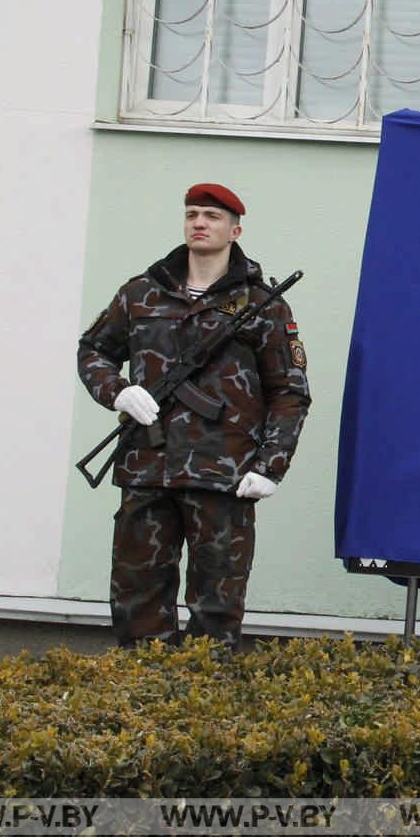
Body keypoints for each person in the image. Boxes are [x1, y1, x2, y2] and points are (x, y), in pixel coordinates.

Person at [77, 184, 310, 647]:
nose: (199, 223)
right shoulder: (141, 293)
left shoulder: (262, 305)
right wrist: (118, 392)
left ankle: (202, 697)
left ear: (234, 229)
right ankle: (141, 694)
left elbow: (290, 393)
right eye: (192, 214)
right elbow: (94, 350)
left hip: (224, 472)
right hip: (147, 466)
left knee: (217, 601)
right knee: (136, 593)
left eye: (211, 216)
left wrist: (271, 466)